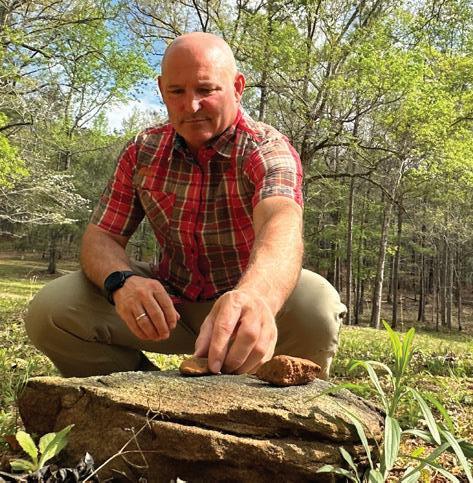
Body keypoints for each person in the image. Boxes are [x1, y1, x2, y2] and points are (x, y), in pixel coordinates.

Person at [25, 32, 346, 380]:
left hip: (246, 305)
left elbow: (280, 225)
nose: (191, 106)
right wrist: (123, 282)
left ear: (237, 87)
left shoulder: (266, 149)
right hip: (168, 303)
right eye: (177, 91)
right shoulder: (142, 151)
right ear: (162, 89)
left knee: (316, 306)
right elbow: (101, 236)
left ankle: (279, 403)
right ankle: (136, 397)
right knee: (50, 311)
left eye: (206, 90)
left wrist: (255, 297)